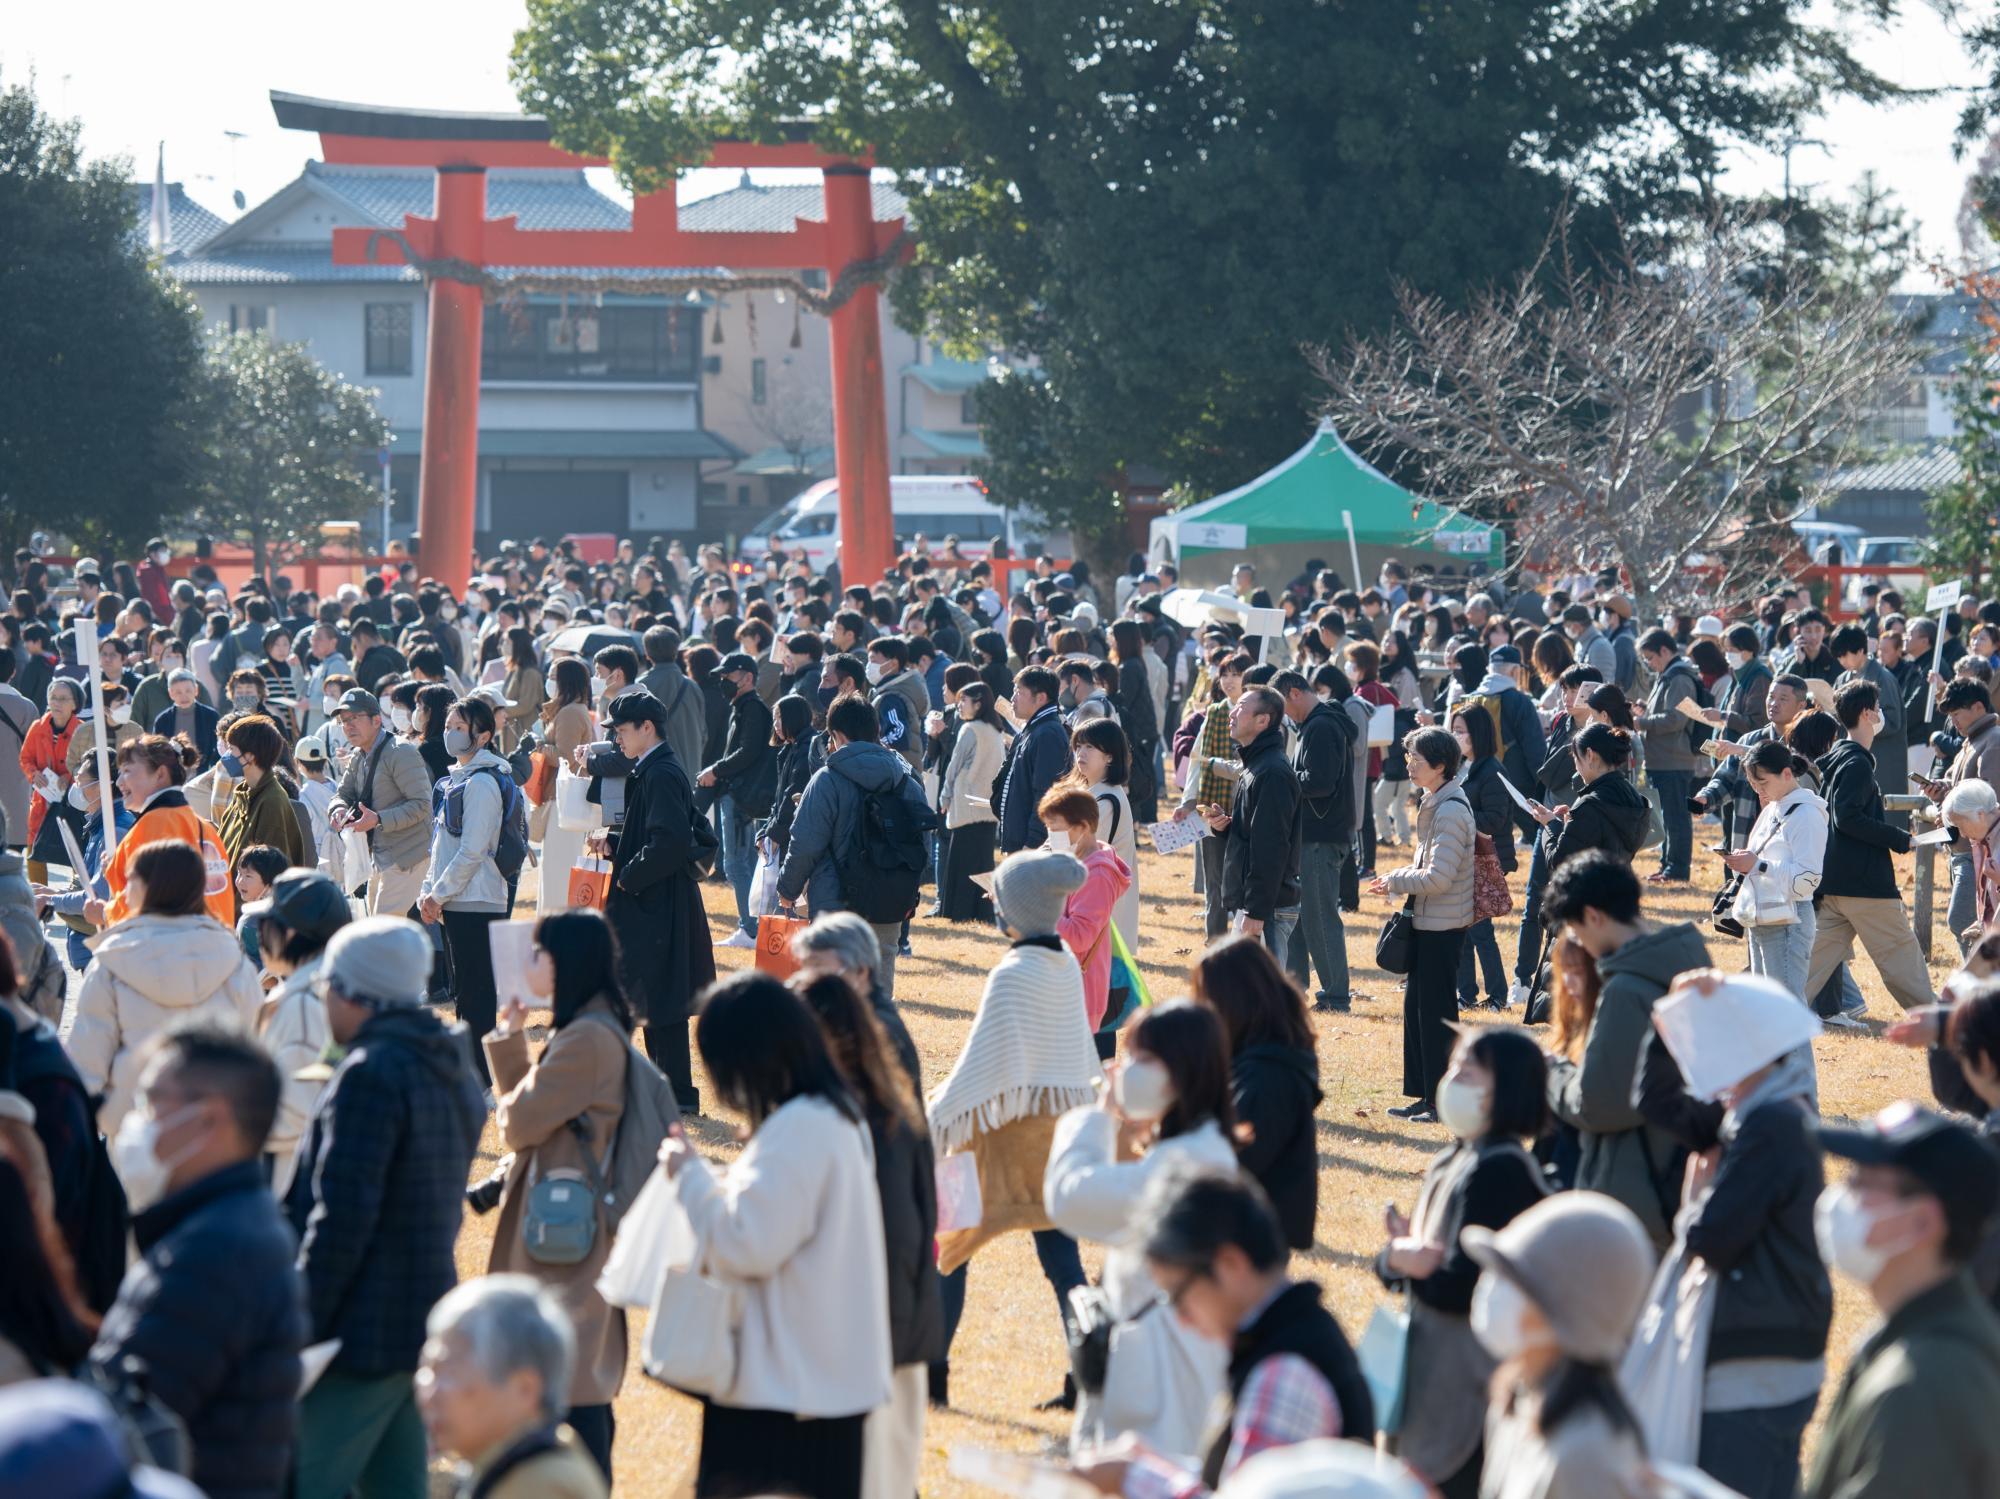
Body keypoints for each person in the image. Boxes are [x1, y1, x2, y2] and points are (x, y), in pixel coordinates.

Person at [660, 972, 892, 1499]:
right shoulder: (832, 1117)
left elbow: (744, 1243)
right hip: (817, 1383)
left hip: (786, 1395)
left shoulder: (801, 1127)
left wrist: (689, 1175)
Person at [286, 915, 483, 1499]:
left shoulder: (372, 1074)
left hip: (359, 1332)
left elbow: (341, 1220)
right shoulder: (447, 1061)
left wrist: (298, 1322)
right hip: (422, 1316)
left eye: (329, 986)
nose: (323, 998)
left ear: (357, 995)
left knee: (296, 1485)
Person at [1632, 973, 1830, 1499]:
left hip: (1760, 1362)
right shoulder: (1752, 1109)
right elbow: (1655, 1100)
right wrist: (1665, 1021)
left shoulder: (1768, 1125)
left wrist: (1693, 1200)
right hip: (1766, 1343)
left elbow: (1711, 1237)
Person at [88, 1025, 307, 1499]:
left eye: (151, 1102)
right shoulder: (233, 1222)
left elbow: (118, 1421)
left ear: (210, 1120)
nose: (136, 1121)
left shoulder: (212, 1254)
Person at [1071, 1173, 1374, 1498]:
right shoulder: (1290, 1335)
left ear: (1231, 1264)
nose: (1181, 1319)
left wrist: (1131, 1478)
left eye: (1178, 1295)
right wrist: (1155, 1465)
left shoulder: (1283, 1374)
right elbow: (1240, 1479)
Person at [927, 848, 1102, 1412]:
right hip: (1053, 1141)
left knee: (950, 1247)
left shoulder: (1012, 973)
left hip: (996, 1140)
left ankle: (933, 1380)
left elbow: (978, 1069)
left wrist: (934, 1116)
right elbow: (1075, 1062)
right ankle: (1086, 1375)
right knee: (1062, 1262)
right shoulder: (1063, 966)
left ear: (1014, 913)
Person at [1044, 1001, 1242, 1457]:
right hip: (1153, 1377)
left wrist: (1097, 1113)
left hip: (1159, 1393)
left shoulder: (1186, 1165)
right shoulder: (1194, 1148)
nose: (1122, 1069)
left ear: (1183, 1071)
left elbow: (1070, 1197)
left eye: (1142, 1059)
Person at [479, 910, 633, 1481]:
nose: (530, 964)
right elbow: (538, 1113)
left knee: (573, 1383)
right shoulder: (591, 1028)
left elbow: (519, 1123)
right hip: (569, 1221)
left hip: (569, 1229)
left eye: (539, 954)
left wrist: (513, 1050)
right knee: (565, 1374)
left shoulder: (587, 1038)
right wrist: (512, 1036)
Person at [1376, 1028, 1550, 1498]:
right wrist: (1397, 1258)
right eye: (1453, 1068)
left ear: (1508, 1088)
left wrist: (1412, 1263)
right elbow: (1405, 1262)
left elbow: (1464, 1288)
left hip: (1468, 1388)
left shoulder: (1500, 1171)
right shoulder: (1453, 1157)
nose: (1452, 1080)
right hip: (1427, 1376)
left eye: (1468, 1073)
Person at [792, 971, 942, 1499]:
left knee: (867, 1469)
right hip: (901, 1315)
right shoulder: (889, 1101)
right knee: (889, 1465)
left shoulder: (846, 1118)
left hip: (872, 1323)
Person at [1805, 1103, 2000, 1499]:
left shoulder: (1921, 1384)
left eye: (1862, 1182)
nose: (1841, 1197)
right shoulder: (1913, 1342)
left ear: (1923, 1223)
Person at [1540, 851, 1710, 1249]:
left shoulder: (1626, 990)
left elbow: (1599, 1106)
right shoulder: (1684, 966)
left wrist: (1555, 1073)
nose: (1579, 943)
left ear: (1595, 916)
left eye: (1577, 931)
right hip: (1677, 1178)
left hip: (1635, 1195)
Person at [65, 839, 263, 1145]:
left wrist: (102, 1119)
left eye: (129, 881)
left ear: (145, 889)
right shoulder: (233, 960)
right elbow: (256, 1047)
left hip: (134, 1133)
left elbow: (86, 1064)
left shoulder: (112, 962)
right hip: (215, 1133)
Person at [1463, 1192, 1658, 1499]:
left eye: (1513, 1281)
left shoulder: (1584, 1456)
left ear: (1566, 1313)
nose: (1492, 1288)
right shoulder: (1518, 1402)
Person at [591, 689, 714, 1113]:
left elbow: (670, 842)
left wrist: (628, 875)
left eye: (622, 731)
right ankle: (665, 1090)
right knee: (654, 993)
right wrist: (614, 843)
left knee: (662, 997)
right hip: (655, 895)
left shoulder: (660, 772)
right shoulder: (654, 767)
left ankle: (677, 1094)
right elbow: (654, 833)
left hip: (658, 899)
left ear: (647, 728)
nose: (617, 740)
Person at [775, 694, 932, 1000]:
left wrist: (787, 889)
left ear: (838, 735)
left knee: (834, 994)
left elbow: (805, 843)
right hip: (890, 901)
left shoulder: (827, 780)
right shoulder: (906, 779)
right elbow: (922, 845)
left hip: (837, 901)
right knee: (880, 984)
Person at [1803, 679, 1936, 1024]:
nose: (1880, 715)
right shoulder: (1857, 764)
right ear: (1866, 713)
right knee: (1902, 960)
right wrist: (1897, 837)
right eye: (1877, 709)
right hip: (1865, 883)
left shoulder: (1838, 759)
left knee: (1808, 966)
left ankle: (1772, 1015)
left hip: (1833, 881)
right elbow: (1848, 818)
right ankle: (1940, 1024)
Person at [414, 1277, 609, 1499]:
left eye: (450, 1374)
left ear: (525, 1389)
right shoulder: (520, 1463)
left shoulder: (539, 1486)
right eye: (428, 1371)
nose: (430, 1394)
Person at [1190, 935, 1322, 1254]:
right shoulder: (1260, 1058)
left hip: (1245, 1237)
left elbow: (1236, 1161)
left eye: (1207, 1000)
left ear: (1234, 1003)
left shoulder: (1267, 1077)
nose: (1203, 1013)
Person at [1370, 727, 1475, 1123]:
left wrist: (1396, 880)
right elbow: (1427, 868)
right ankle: (1424, 1095)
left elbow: (1439, 878)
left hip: (1443, 927)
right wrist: (1398, 874)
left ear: (1441, 766)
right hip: (1430, 922)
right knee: (1416, 1011)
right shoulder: (1435, 800)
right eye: (1409, 756)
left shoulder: (1449, 810)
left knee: (1435, 1018)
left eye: (1417, 759)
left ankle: (1441, 1102)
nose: (1409, 764)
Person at [418, 696, 514, 1079]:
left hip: (477, 899)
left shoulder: (482, 783)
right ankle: (473, 1073)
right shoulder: (457, 779)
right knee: (466, 994)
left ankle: (485, 1078)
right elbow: (442, 846)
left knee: (476, 996)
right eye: (448, 726)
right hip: (457, 899)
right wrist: (431, 891)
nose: (450, 734)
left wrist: (437, 894)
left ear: (484, 735)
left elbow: (473, 850)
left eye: (460, 728)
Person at [243, 870, 348, 1198]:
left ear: (290, 934)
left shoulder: (303, 1004)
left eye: (264, 925)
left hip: (295, 1182)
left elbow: (299, 1113)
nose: (257, 935)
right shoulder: (326, 988)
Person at [1275, 668, 1357, 1012]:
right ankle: (1298, 989)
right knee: (1301, 916)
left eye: (1282, 704)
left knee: (1319, 916)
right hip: (1315, 834)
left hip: (1321, 835)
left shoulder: (1321, 726)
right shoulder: (1316, 723)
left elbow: (1320, 782)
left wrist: (1284, 777)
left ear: (1295, 693)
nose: (1283, 715)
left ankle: (1336, 996)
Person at [1201, 686, 1301, 960]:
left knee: (1265, 996)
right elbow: (1256, 833)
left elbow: (1271, 847)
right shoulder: (1256, 766)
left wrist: (1256, 912)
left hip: (1266, 907)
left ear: (1262, 720)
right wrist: (1228, 826)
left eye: (1241, 707)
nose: (1232, 713)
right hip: (1254, 902)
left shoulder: (1272, 773)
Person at [1725, 741, 1827, 1002]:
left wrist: (1758, 865)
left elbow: (1808, 881)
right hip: (1764, 916)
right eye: (1752, 784)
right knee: (1769, 1011)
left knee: (1786, 1012)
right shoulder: (1773, 807)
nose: (1758, 789)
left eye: (1763, 782)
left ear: (1786, 774)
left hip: (1789, 921)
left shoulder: (1806, 814)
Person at [328, 688, 433, 919]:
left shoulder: (401, 751)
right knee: (378, 930)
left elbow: (422, 805)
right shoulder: (359, 755)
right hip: (381, 856)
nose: (348, 725)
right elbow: (341, 793)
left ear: (377, 720)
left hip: (409, 856)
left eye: (355, 718)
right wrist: (338, 809)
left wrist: (378, 819)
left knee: (382, 932)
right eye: (344, 721)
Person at [1039, 786, 1134, 1036]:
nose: (1050, 836)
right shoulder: (1074, 860)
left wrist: (1036, 907)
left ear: (1082, 827)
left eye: (1056, 828)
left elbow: (1080, 936)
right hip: (1064, 983)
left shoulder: (1098, 874)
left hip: (1079, 990)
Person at [698, 650, 777, 949]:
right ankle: (751, 926)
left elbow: (748, 752)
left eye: (728, 676)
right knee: (740, 863)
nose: (723, 681)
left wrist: (716, 770)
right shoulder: (743, 706)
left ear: (747, 678)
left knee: (736, 864)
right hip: (738, 794)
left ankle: (750, 927)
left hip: (741, 795)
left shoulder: (753, 708)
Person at [1452, 704, 1514, 1012]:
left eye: (1461, 730)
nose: (1456, 736)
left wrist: (1457, 812)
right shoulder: (1463, 766)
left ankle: (1498, 996)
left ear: (1478, 733)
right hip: (1463, 858)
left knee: (1480, 932)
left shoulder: (1491, 770)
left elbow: (1496, 819)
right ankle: (1466, 993)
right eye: (1454, 729)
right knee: (1462, 930)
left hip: (1484, 860)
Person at [1633, 628, 1703, 884]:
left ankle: (1677, 869)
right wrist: (1646, 710)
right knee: (1668, 818)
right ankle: (1668, 864)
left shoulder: (1679, 678)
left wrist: (1642, 722)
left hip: (1674, 759)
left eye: (1651, 657)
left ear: (1665, 650)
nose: (1650, 664)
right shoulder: (1668, 676)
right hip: (1663, 759)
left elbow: (1676, 719)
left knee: (1676, 819)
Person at [215, 716, 305, 902]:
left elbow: (268, 876)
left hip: (251, 916)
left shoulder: (272, 801)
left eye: (232, 749)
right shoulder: (243, 793)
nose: (227, 755)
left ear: (250, 757)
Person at [938, 682, 1007, 921]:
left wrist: (945, 796)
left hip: (967, 804)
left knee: (961, 863)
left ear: (978, 703)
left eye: (963, 701)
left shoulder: (970, 729)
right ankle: (984, 913)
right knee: (983, 862)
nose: (959, 706)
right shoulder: (996, 731)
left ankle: (959, 911)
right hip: (988, 806)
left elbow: (954, 767)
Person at [535, 659, 598, 916]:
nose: (548, 680)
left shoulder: (571, 712)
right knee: (553, 871)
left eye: (553, 676)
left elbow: (566, 757)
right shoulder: (573, 709)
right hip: (563, 799)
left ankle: (553, 930)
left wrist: (539, 746)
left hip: (565, 800)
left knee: (557, 874)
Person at [1833, 623, 1907, 811]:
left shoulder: (1883, 677)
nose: (1841, 660)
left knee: (1883, 812)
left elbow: (1893, 721)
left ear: (1860, 650)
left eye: (1844, 654)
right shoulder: (1842, 679)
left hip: (1882, 756)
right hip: (1854, 755)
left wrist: (1867, 720)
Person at [998, 665, 1072, 854]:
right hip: (1022, 841)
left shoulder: (1048, 734)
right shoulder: (1034, 729)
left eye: (1019, 692)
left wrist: (1032, 844)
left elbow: (1047, 794)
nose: (1012, 698)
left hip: (1033, 847)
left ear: (1041, 698)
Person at [20, 677, 80, 881]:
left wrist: (69, 776)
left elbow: (88, 762)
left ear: (75, 703)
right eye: (53, 698)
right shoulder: (38, 727)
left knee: (75, 844)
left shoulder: (82, 730)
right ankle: (39, 902)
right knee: (34, 845)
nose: (57, 703)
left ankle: (77, 892)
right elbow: (25, 758)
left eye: (63, 698)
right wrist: (33, 774)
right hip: (42, 799)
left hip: (73, 799)